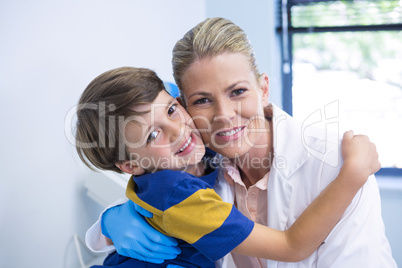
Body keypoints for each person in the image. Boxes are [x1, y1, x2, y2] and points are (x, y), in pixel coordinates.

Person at [86, 18, 397, 267]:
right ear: (186, 106)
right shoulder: (197, 156)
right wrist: (107, 224)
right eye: (203, 100)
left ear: (263, 89)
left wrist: (353, 175)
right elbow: (159, 192)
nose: (224, 115)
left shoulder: (338, 167)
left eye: (237, 92)